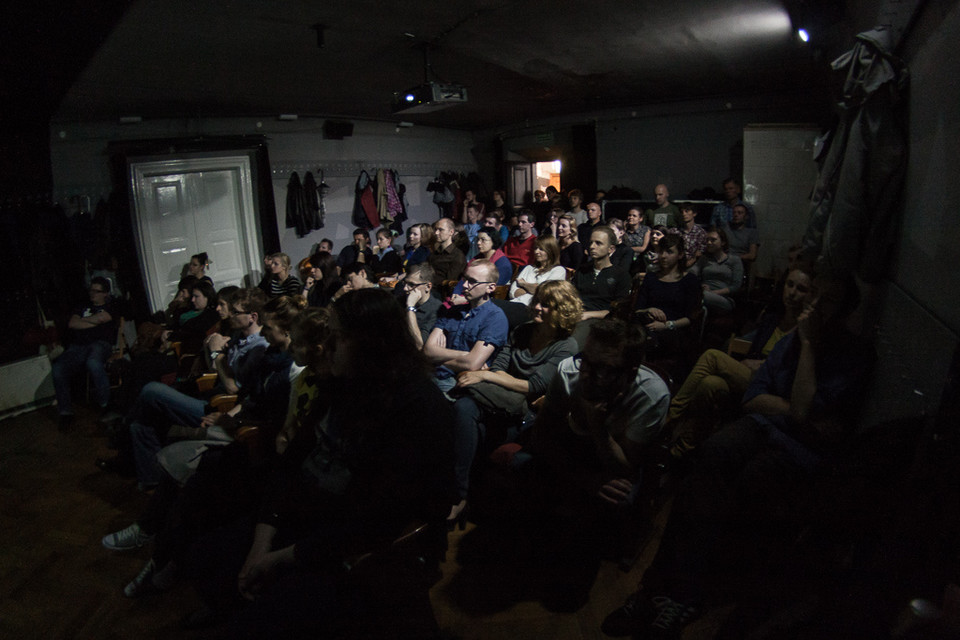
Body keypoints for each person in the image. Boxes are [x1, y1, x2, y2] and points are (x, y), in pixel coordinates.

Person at [601, 274, 874, 639]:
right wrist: (794, 410)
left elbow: (804, 411)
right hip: (763, 426)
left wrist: (808, 348)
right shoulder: (790, 340)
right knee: (707, 462)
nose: (811, 307)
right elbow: (756, 396)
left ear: (844, 312)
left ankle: (688, 594)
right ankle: (654, 588)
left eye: (823, 301)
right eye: (813, 297)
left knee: (752, 483)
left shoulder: (850, 352)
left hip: (801, 450)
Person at [185, 288, 455, 636]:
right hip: (306, 517)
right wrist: (261, 543)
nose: (325, 347)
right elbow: (292, 461)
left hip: (351, 545)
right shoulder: (342, 383)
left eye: (337, 337)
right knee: (205, 555)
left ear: (372, 343)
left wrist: (279, 557)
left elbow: (377, 519)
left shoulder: (417, 406)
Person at [448, 280, 582, 526]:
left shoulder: (566, 346)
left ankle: (460, 496)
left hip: (526, 414)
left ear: (562, 310)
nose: (537, 307)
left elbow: (534, 387)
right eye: (537, 301)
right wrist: (500, 377)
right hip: (497, 400)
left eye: (547, 305)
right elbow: (500, 366)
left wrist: (486, 375)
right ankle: (461, 495)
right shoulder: (522, 330)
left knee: (468, 418)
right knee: (464, 409)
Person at [666, 266, 815, 456]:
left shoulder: (804, 330)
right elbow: (748, 349)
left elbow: (787, 369)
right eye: (790, 285)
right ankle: (682, 450)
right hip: (751, 375)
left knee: (712, 356)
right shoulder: (772, 319)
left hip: (768, 387)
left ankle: (671, 416)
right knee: (709, 383)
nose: (792, 293)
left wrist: (762, 364)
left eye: (801, 289)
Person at [528, 318, 670, 513]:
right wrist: (585, 479)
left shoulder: (651, 395)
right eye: (585, 360)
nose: (585, 374)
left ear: (630, 373)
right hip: (573, 446)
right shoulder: (569, 371)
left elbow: (625, 469)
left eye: (602, 368)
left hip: (612, 455)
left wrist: (597, 424)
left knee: (620, 499)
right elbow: (540, 435)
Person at [423, 260, 509, 394]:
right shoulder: (453, 311)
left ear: (491, 288)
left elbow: (472, 364)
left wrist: (439, 359)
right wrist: (467, 355)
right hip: (433, 373)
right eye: (465, 279)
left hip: (459, 381)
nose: (464, 285)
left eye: (472, 281)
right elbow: (428, 351)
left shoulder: (495, 318)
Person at [52, 277, 119, 430]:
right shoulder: (82, 306)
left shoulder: (110, 306)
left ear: (105, 294)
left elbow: (103, 318)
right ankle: (66, 413)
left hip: (100, 344)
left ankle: (105, 405)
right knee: (58, 369)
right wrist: (93, 321)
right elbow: (72, 323)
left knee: (93, 363)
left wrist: (85, 321)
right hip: (78, 346)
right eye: (91, 290)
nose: (92, 294)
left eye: (97, 291)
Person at [633, 232, 702, 358]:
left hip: (675, 328)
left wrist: (667, 325)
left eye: (669, 252)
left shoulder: (689, 280)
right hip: (648, 324)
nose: (663, 256)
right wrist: (649, 309)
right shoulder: (651, 278)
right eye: (661, 251)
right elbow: (638, 308)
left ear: (680, 255)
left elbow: (691, 316)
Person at [572, 226, 632, 322]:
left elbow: (620, 310)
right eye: (591, 242)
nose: (592, 246)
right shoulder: (582, 270)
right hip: (577, 315)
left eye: (598, 243)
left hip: (602, 321)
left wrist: (589, 315)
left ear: (611, 249)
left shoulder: (620, 275)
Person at [692, 226, 743, 313]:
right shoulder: (704, 259)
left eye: (713, 240)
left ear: (722, 242)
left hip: (724, 298)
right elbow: (693, 272)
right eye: (707, 240)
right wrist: (700, 286)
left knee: (699, 296)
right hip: (704, 292)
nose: (709, 242)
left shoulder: (734, 260)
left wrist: (713, 293)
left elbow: (735, 287)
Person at [509, 234, 566, 305]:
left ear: (551, 250)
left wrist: (524, 284)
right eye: (535, 248)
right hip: (515, 303)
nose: (536, 252)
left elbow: (545, 293)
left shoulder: (558, 270)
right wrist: (532, 290)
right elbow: (512, 292)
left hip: (533, 309)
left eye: (541, 249)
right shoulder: (529, 268)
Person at [402, 262, 441, 348]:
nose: (405, 288)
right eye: (404, 283)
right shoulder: (400, 300)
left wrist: (410, 308)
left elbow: (419, 344)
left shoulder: (437, 310)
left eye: (411, 285)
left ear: (428, 286)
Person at [429, 217, 467, 284]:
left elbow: (451, 282)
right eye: (436, 229)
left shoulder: (457, 256)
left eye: (440, 230)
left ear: (451, 232)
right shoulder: (435, 253)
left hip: (440, 291)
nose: (436, 233)